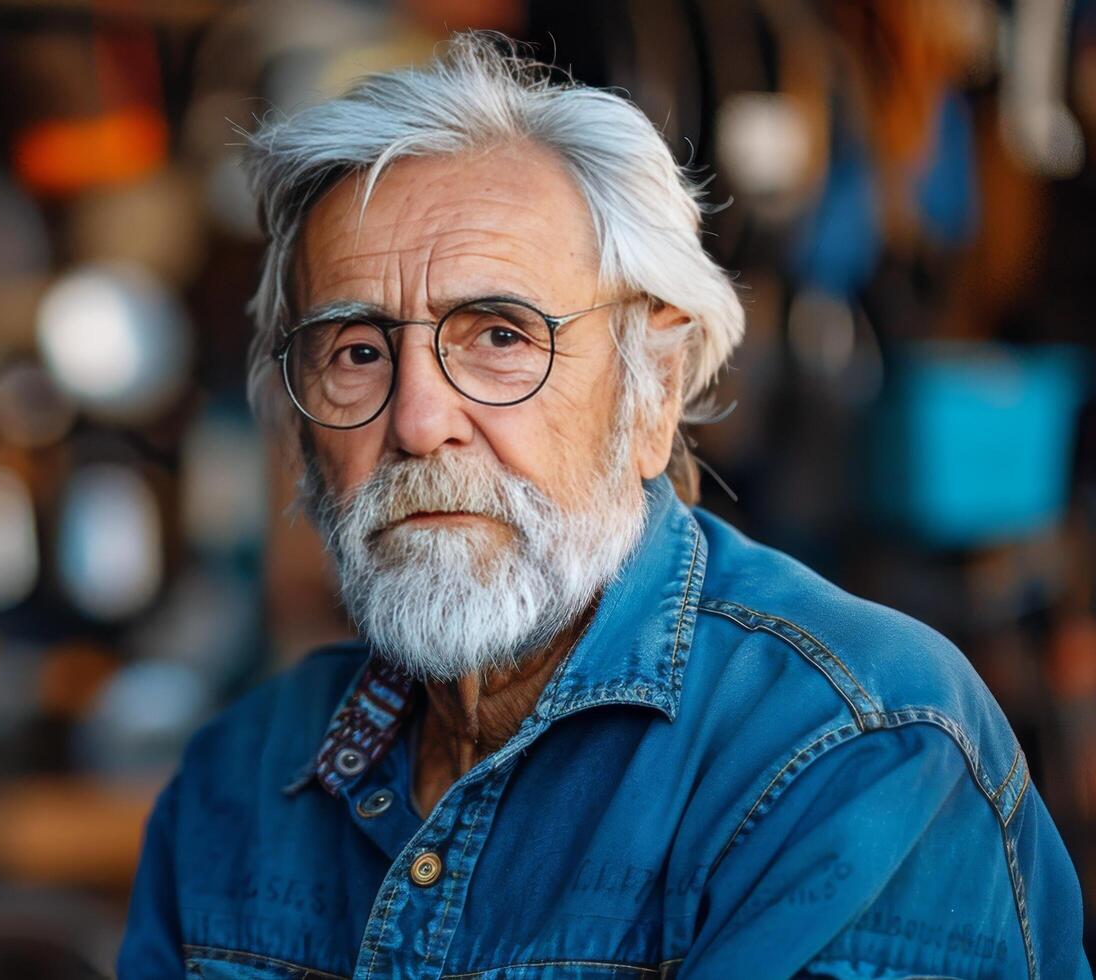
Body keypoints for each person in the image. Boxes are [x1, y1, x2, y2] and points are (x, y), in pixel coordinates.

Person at [118, 32, 1090, 980]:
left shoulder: (851, 747)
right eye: (357, 351)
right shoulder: (233, 784)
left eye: (498, 335)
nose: (417, 420)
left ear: (652, 390)